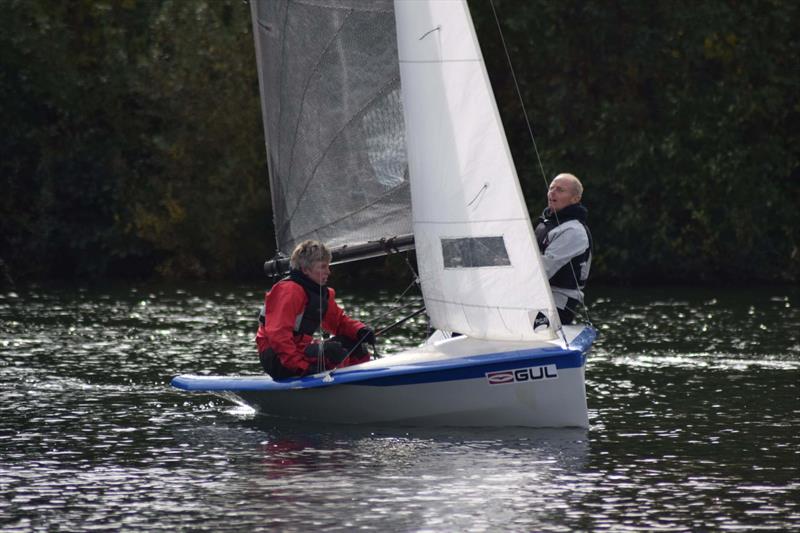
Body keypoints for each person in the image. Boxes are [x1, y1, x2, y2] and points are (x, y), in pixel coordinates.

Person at [256, 240, 375, 380]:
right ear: (306, 269)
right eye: (323, 267)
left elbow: (338, 322)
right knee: (334, 352)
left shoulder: (321, 293)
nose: (328, 272)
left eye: (328, 266)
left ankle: (361, 380)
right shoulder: (289, 291)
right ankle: (342, 386)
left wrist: (360, 330)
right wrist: (302, 367)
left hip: (299, 350)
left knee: (355, 345)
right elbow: (278, 336)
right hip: (277, 358)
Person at [534, 173, 592, 325]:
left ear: (575, 199)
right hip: (535, 299)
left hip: (558, 306)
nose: (552, 192)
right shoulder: (546, 224)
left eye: (560, 190)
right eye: (551, 188)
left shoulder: (573, 231)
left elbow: (543, 270)